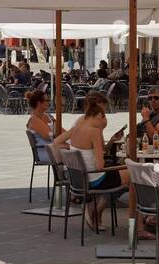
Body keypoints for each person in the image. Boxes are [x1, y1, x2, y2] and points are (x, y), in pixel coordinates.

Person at [51, 92, 134, 235]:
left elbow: (56, 142)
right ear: (98, 115)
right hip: (94, 179)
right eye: (104, 115)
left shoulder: (76, 129)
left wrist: (72, 153)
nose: (105, 120)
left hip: (80, 179)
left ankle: (97, 209)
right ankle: (136, 224)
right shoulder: (94, 131)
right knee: (133, 174)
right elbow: (100, 166)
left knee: (122, 171)